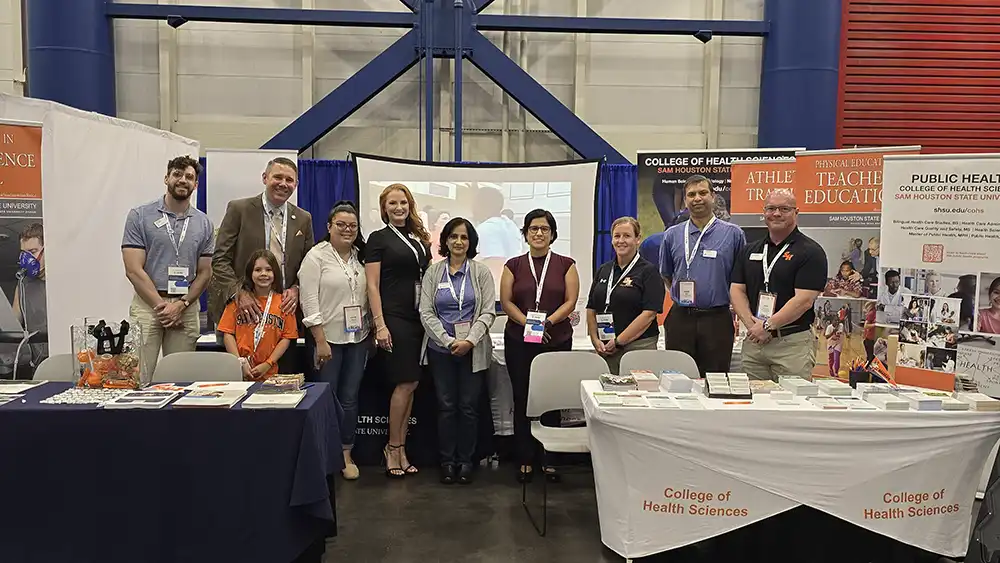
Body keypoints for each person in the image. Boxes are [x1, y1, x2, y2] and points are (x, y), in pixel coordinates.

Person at [210, 157, 314, 372]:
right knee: (240, 379)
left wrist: (296, 288)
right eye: (277, 177)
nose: (283, 183)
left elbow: (308, 265)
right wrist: (238, 293)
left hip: (283, 312)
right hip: (245, 311)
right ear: (265, 178)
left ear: (296, 185)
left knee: (282, 380)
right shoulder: (239, 209)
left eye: (289, 180)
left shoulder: (303, 218)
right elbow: (220, 258)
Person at [501, 209, 579, 483]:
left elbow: (571, 301)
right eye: (533, 228)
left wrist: (546, 324)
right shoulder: (513, 265)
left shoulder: (566, 264)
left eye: (544, 229)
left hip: (556, 339)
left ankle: (550, 458)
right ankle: (525, 457)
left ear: (553, 234)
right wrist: (527, 324)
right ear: (525, 233)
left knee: (552, 398)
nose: (538, 233)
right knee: (523, 397)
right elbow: (507, 301)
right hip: (519, 340)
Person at [419, 218, 497, 485]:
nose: (459, 242)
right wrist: (447, 340)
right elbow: (425, 311)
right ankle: (447, 462)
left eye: (464, 237)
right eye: (453, 237)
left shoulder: (481, 272)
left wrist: (470, 341)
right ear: (446, 241)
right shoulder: (433, 272)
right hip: (441, 351)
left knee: (468, 407)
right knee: (446, 406)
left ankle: (466, 461)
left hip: (472, 351)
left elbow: (488, 311)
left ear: (471, 241)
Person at [122, 155, 215, 376]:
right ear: (166, 178)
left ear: (196, 184)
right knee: (138, 376)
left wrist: (180, 305)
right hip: (148, 305)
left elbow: (205, 272)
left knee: (180, 376)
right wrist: (162, 307)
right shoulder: (140, 216)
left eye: (189, 177)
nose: (183, 180)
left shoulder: (204, 223)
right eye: (177, 174)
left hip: (186, 306)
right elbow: (133, 269)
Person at [298, 201, 369, 481]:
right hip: (327, 340)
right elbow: (309, 300)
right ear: (329, 227)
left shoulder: (361, 257)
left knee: (350, 399)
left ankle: (345, 452)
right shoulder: (316, 257)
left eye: (352, 225)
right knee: (325, 399)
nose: (347, 230)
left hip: (358, 339)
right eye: (341, 225)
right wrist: (320, 340)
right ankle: (322, 453)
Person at [366, 183, 431, 478]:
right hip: (394, 318)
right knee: (404, 383)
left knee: (413, 384)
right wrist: (380, 324)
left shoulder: (418, 238)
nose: (399, 207)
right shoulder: (378, 238)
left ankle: (402, 447)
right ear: (384, 208)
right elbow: (372, 285)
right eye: (392, 203)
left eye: (403, 202)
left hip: (419, 319)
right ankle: (392, 447)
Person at [730, 189, 827, 380]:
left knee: (791, 406)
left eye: (784, 208)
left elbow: (804, 300)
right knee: (753, 404)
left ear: (796, 213)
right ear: (763, 212)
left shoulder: (811, 252)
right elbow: (736, 290)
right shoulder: (749, 250)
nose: (776, 213)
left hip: (791, 344)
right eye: (771, 208)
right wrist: (753, 326)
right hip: (754, 342)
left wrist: (767, 326)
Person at [659, 176, 746, 376]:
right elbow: (667, 274)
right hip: (681, 318)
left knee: (715, 381)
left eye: (703, 193)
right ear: (685, 201)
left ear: (713, 196)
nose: (697, 198)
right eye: (691, 194)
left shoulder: (734, 234)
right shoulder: (672, 235)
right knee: (677, 379)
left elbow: (740, 278)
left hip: (716, 319)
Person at [587, 217, 664, 374]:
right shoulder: (604, 270)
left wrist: (619, 341)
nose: (621, 241)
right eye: (617, 236)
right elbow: (591, 307)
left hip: (638, 347)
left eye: (627, 236)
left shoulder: (649, 271)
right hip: (606, 348)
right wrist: (595, 340)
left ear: (637, 239)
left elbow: (649, 314)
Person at [218, 250, 297, 380]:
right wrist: (239, 362)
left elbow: (286, 337)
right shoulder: (238, 302)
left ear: (275, 273)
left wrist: (268, 363)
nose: (263, 274)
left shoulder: (284, 303)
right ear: (250, 273)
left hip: (270, 373)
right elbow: (228, 333)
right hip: (239, 371)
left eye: (268, 270)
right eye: (258, 270)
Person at [12, 223, 48, 375]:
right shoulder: (22, 284)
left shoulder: (63, 283)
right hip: (37, 365)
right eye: (24, 254)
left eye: (33, 252)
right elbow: (13, 323)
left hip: (64, 359)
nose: (27, 259)